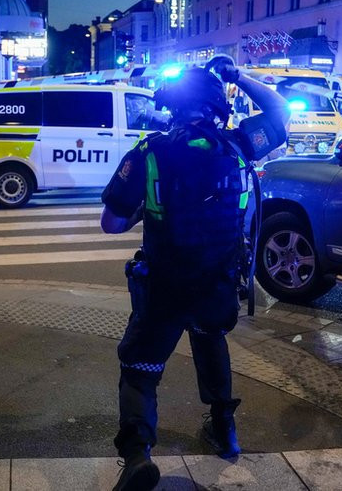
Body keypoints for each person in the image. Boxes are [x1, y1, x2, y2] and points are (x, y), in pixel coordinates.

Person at [101, 58, 289, 491]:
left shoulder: (149, 152)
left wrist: (144, 211)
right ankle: (224, 429)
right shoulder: (241, 144)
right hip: (217, 284)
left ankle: (137, 456)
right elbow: (281, 112)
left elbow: (111, 223)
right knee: (210, 341)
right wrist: (238, 75)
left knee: (139, 366)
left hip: (164, 287)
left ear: (171, 106)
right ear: (217, 105)